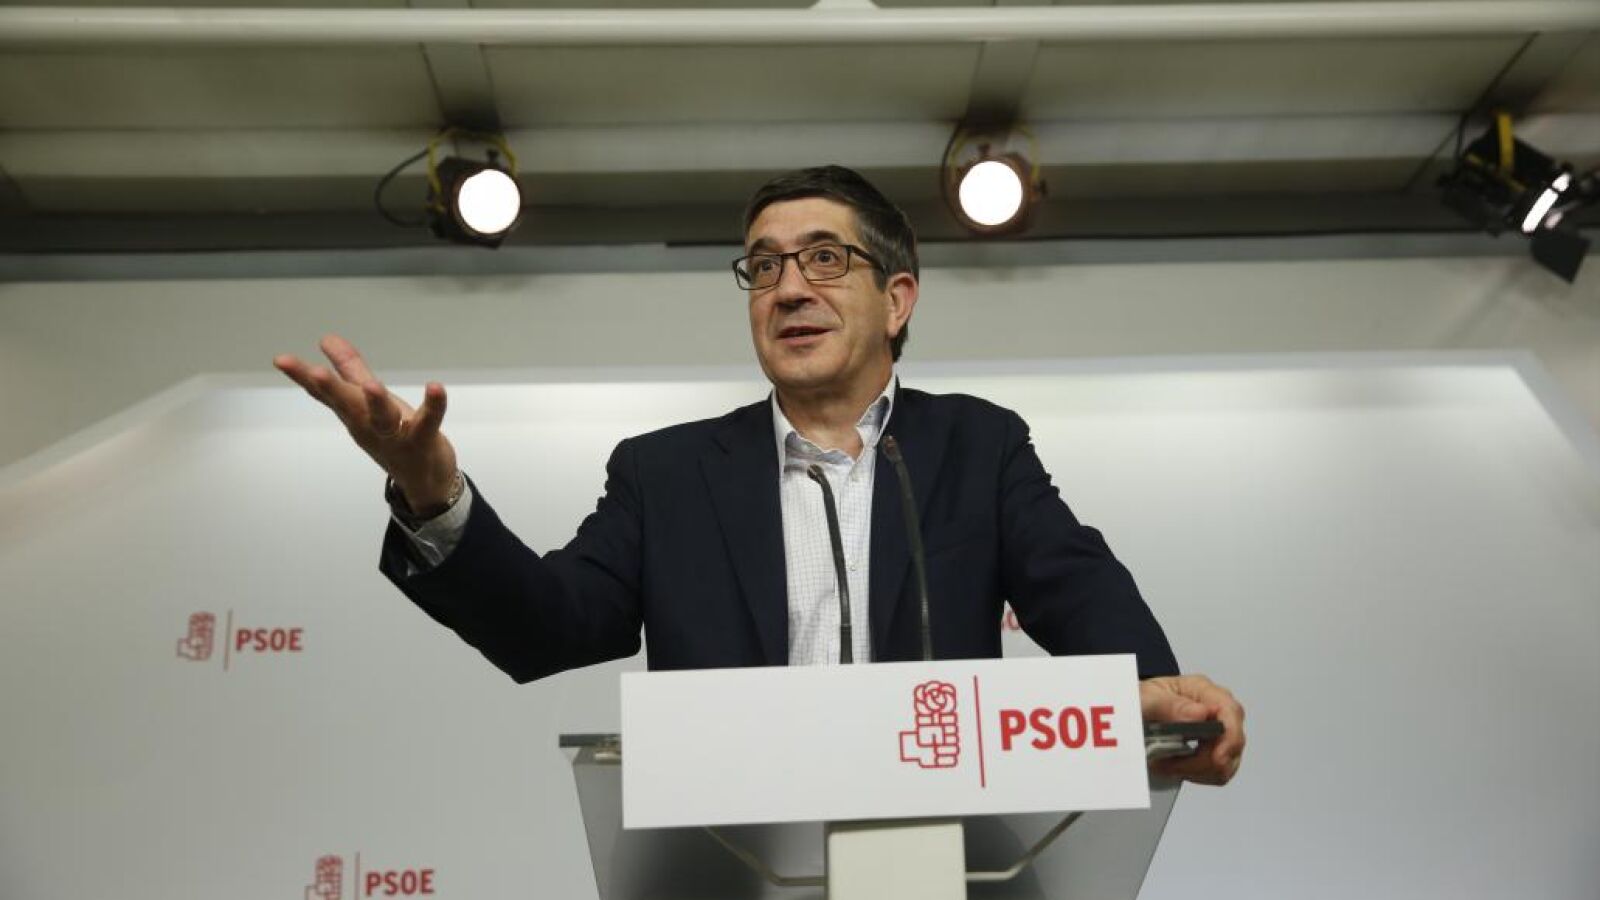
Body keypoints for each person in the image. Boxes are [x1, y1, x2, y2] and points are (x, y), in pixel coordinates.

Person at [274, 165, 1245, 786]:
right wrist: (433, 493)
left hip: (944, 856)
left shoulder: (973, 449)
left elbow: (1073, 584)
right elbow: (546, 626)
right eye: (764, 266)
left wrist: (1159, 700)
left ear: (897, 299)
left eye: (824, 259)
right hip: (725, 861)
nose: (788, 288)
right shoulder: (666, 474)